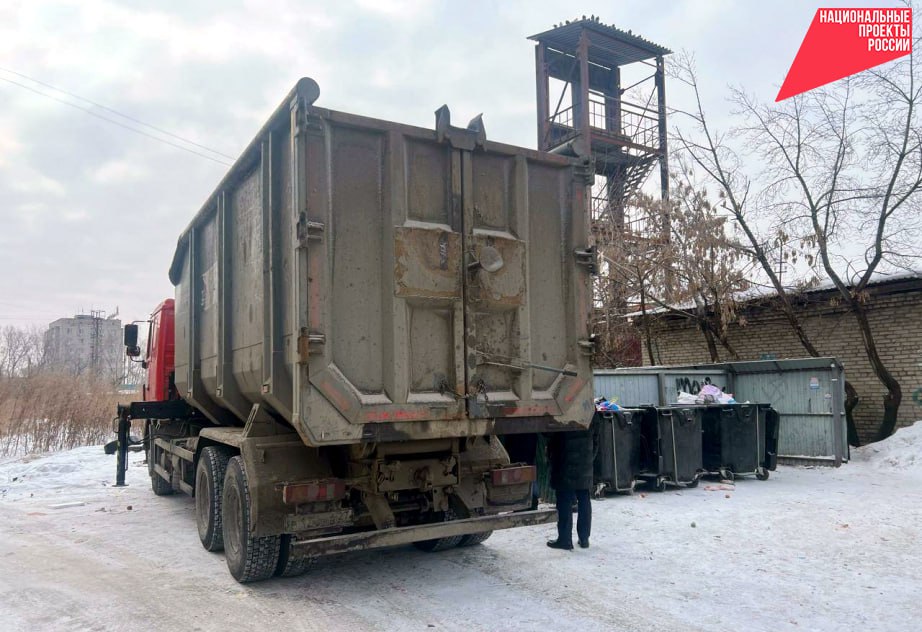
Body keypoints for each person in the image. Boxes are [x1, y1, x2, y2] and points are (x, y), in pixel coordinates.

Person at [546, 425, 596, 550]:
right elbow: (596, 434)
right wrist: (590, 455)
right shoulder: (589, 407)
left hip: (564, 457)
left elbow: (550, 431)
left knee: (564, 498)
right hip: (585, 455)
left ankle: (565, 539)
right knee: (584, 496)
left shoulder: (561, 406)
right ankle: (584, 539)